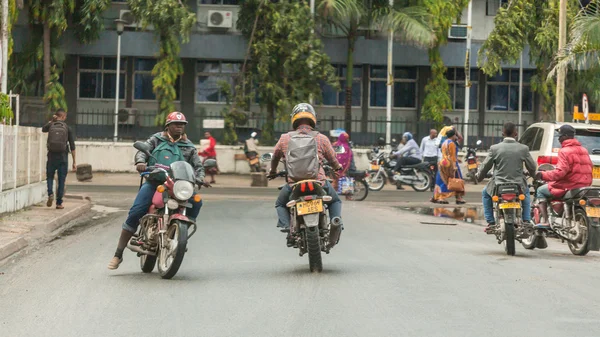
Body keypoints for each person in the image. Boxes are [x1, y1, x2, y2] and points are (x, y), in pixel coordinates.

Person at [108, 112, 205, 270]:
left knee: (197, 202)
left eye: (182, 124)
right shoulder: (156, 139)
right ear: (168, 126)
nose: (179, 126)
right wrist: (140, 162)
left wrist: (200, 177)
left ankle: (181, 235)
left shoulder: (188, 146)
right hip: (155, 182)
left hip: (178, 185)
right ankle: (118, 254)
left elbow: (198, 166)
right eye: (176, 124)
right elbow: (142, 151)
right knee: (136, 211)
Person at [268, 103, 344, 233]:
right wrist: (337, 167)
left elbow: (275, 157)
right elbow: (332, 159)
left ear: (294, 119)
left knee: (280, 204)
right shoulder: (321, 138)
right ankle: (336, 222)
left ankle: (287, 226)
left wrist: (273, 171)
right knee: (335, 201)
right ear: (312, 118)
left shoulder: (284, 139)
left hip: (294, 183)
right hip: (318, 181)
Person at [477, 122, 537, 231]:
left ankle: (490, 222)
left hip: (498, 185)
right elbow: (532, 167)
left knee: (485, 194)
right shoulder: (523, 148)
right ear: (516, 133)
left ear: (502, 133)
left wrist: (479, 176)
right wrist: (535, 178)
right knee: (526, 193)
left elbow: (485, 166)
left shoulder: (495, 148)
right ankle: (527, 220)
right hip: (518, 185)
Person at [534, 125, 593, 227]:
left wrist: (543, 175)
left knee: (540, 191)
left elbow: (560, 173)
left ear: (565, 136)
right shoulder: (584, 150)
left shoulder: (564, 151)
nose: (559, 138)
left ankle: (546, 221)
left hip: (569, 185)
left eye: (560, 136)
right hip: (584, 186)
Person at [41, 109, 76, 210]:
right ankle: (59, 203)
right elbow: (72, 146)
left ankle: (50, 194)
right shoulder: (67, 128)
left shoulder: (51, 125)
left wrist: (52, 121)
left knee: (50, 177)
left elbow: (43, 129)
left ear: (56, 116)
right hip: (63, 157)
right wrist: (74, 162)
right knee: (61, 180)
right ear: (64, 117)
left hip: (51, 156)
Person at [432, 129, 465, 204]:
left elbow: (446, 154)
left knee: (442, 179)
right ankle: (457, 198)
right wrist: (454, 167)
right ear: (453, 135)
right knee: (456, 180)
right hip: (450, 163)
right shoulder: (452, 143)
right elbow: (452, 156)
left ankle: (438, 196)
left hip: (443, 162)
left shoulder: (444, 142)